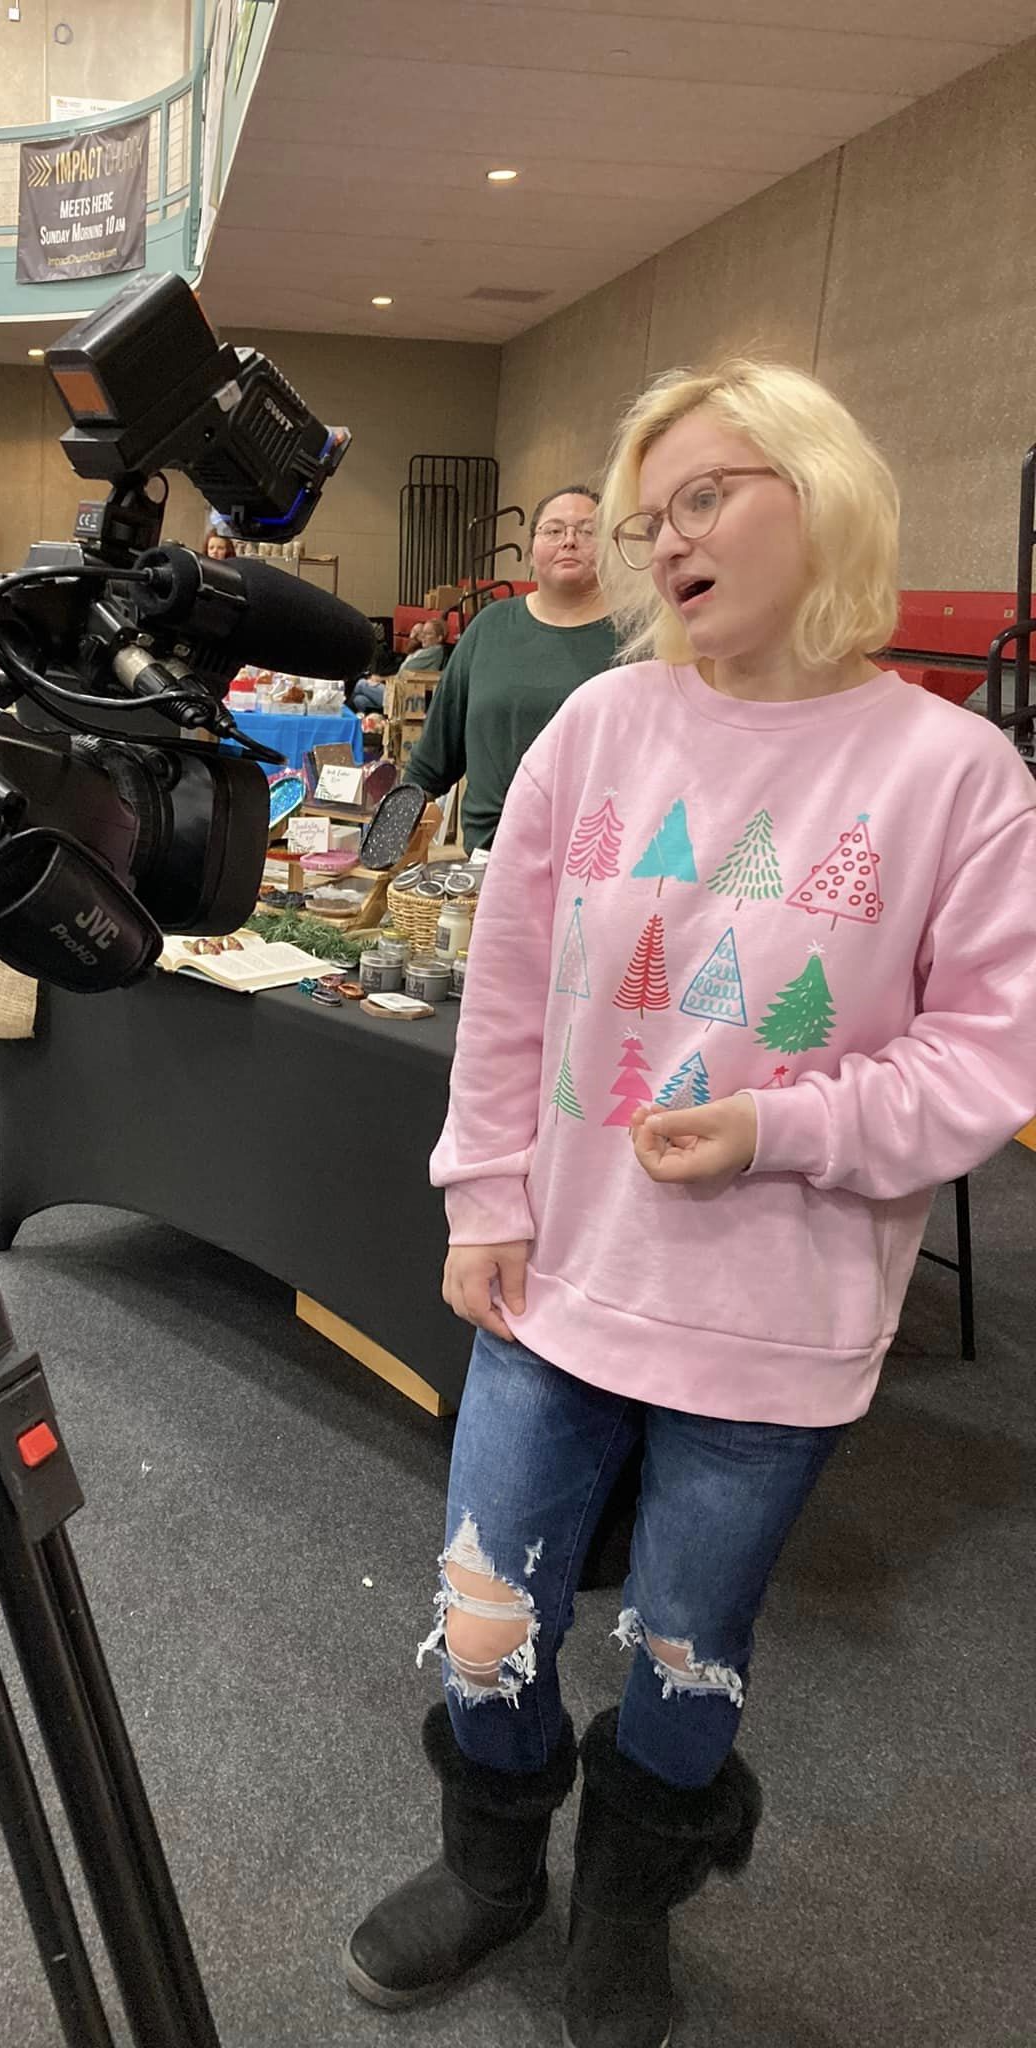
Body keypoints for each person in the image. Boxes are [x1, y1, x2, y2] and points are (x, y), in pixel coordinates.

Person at [344, 360, 1036, 2047]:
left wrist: (781, 1127)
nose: (665, 540)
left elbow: (986, 1059)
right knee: (486, 1619)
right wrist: (480, 1196)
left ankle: (629, 1899)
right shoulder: (602, 725)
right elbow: (507, 991)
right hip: (557, 1283)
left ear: (824, 495)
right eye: (653, 514)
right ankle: (494, 1863)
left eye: (707, 496)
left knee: (685, 1650)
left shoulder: (956, 774)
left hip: (776, 1320)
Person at [405, 487, 616, 850]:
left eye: (587, 531)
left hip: (597, 857)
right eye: (554, 530)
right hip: (489, 854)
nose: (569, 541)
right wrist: (393, 832)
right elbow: (432, 762)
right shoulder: (490, 627)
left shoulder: (638, 639)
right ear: (531, 550)